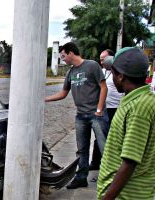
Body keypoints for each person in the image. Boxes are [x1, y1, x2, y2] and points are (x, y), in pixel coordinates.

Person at [45, 42, 109, 189]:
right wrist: (44, 99)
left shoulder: (92, 65)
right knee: (82, 149)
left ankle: (109, 178)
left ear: (70, 53)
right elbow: (63, 93)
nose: (63, 59)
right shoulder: (70, 72)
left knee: (105, 147)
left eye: (63, 56)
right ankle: (81, 178)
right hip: (81, 116)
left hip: (96, 115)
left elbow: (103, 87)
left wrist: (99, 109)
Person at [97, 47, 155, 200]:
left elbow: (130, 161)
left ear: (121, 76)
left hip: (126, 195)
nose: (111, 77)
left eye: (113, 73)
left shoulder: (139, 108)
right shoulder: (136, 100)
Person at [89, 49, 124, 171]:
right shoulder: (101, 72)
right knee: (99, 136)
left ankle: (113, 165)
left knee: (114, 137)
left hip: (116, 109)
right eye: (100, 59)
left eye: (104, 59)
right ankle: (95, 163)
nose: (102, 61)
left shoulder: (118, 72)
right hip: (103, 109)